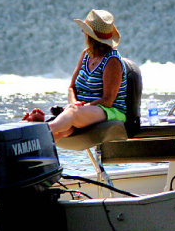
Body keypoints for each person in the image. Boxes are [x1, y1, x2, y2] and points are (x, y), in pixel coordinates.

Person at [23, 9, 128, 141]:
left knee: (71, 114)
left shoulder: (112, 60)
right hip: (82, 111)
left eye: (84, 31)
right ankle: (34, 146)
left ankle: (38, 131)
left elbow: (108, 100)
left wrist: (78, 108)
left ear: (89, 35)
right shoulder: (86, 54)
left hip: (110, 111)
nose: (83, 33)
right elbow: (71, 87)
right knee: (63, 130)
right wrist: (74, 103)